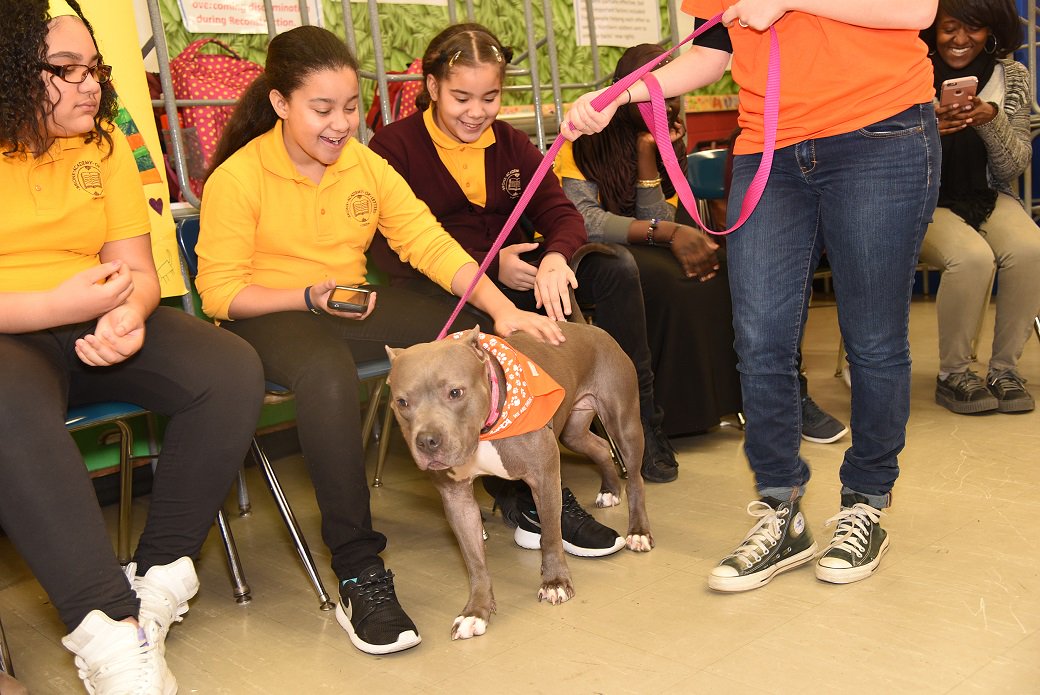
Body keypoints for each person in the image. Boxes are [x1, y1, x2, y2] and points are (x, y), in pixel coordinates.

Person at [194, 25, 565, 657]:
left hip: (342, 302)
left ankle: (525, 485)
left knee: (459, 335)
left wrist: (502, 311)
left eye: (349, 108)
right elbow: (219, 294)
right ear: (280, 103)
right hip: (266, 312)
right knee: (327, 372)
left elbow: (427, 243)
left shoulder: (363, 164)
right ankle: (359, 568)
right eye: (322, 109)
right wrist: (305, 295)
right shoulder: (238, 177)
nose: (341, 124)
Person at [564, 0, 940, 591]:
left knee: (873, 338)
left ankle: (865, 502)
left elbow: (916, 10)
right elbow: (708, 57)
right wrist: (620, 96)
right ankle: (780, 509)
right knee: (760, 340)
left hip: (880, 133)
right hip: (770, 149)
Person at [0, 1, 265, 692]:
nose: (90, 85)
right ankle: (110, 630)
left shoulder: (105, 142)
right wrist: (56, 306)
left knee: (228, 367)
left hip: (90, 317)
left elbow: (137, 272)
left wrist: (132, 314)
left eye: (95, 68)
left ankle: (157, 581)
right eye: (67, 69)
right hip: (10, 333)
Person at [364, 25, 676, 560]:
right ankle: (525, 497)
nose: (476, 112)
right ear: (432, 87)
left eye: (489, 97)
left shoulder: (510, 143)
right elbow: (388, 247)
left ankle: (640, 420)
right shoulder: (394, 147)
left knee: (616, 270)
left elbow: (560, 212)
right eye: (462, 97)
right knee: (484, 340)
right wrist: (490, 266)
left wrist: (554, 256)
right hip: (438, 291)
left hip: (514, 274)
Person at [554, 43, 744, 440]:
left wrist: (648, 153)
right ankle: (657, 416)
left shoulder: (664, 141)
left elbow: (657, 216)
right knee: (668, 279)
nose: (667, 105)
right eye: (652, 94)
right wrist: (666, 233)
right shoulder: (585, 138)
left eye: (671, 96)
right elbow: (585, 220)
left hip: (639, 243)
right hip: (583, 252)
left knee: (718, 267)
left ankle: (711, 406)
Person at [920, 0, 1040, 415]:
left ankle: (1004, 370)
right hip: (921, 199)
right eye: (949, 27)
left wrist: (991, 120)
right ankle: (953, 374)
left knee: (1031, 248)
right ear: (932, 28)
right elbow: (883, 158)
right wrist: (929, 130)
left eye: (973, 27)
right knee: (971, 258)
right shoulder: (908, 72)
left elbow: (1013, 166)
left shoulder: (1013, 76)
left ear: (991, 30)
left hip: (986, 193)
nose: (959, 39)